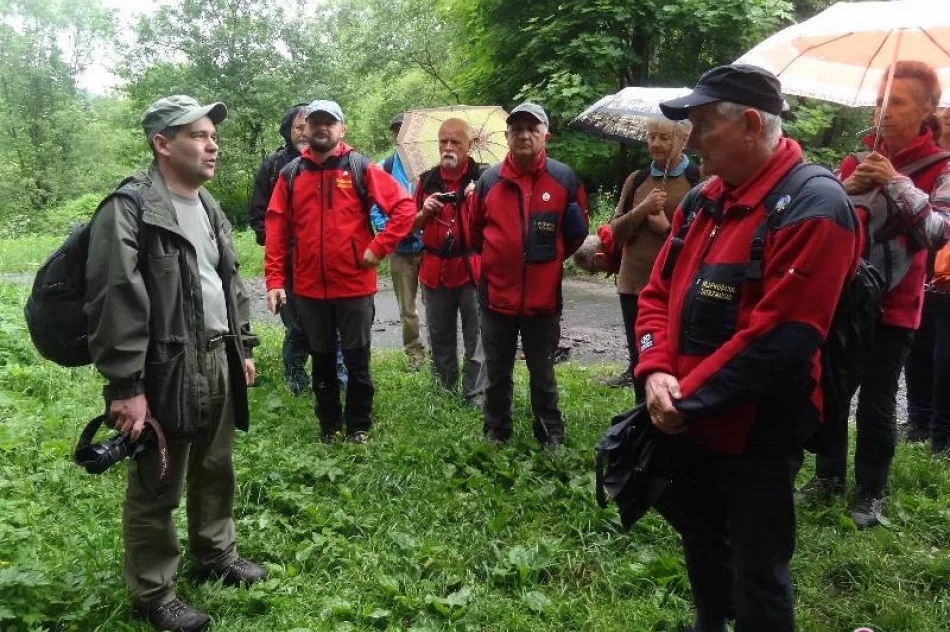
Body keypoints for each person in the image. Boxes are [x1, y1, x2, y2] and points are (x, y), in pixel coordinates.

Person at [636, 65, 859, 631]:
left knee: (759, 577)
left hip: (756, 435)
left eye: (703, 126)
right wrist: (655, 369)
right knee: (703, 552)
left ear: (752, 124)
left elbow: (781, 336)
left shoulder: (816, 206)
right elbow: (658, 292)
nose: (692, 141)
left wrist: (681, 399)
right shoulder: (705, 199)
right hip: (687, 424)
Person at [85, 95, 267, 632]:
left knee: (215, 466)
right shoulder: (131, 207)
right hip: (164, 368)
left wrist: (243, 349)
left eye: (212, 134)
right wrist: (126, 384)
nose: (212, 144)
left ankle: (216, 552)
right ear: (162, 144)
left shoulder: (207, 205)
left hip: (218, 358)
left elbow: (228, 282)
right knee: (158, 480)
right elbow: (114, 297)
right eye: (197, 135)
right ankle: (153, 591)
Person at [802, 61, 950, 526]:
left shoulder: (942, 168)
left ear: (927, 109)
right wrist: (844, 189)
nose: (884, 111)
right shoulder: (854, 161)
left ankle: (870, 493)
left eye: (899, 101)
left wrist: (895, 182)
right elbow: (826, 229)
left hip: (895, 307)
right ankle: (827, 478)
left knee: (878, 402)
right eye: (881, 100)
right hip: (843, 301)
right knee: (833, 390)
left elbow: (937, 232)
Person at [265, 100, 416, 444]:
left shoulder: (360, 167)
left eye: (329, 122)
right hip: (309, 288)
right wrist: (275, 280)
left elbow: (405, 209)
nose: (322, 127)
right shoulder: (292, 174)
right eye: (315, 122)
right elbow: (276, 229)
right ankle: (329, 426)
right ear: (306, 129)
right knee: (320, 360)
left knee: (356, 358)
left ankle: (358, 426)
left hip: (354, 286)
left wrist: (378, 248)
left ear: (341, 129)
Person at [470, 102, 589, 447]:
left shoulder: (564, 178)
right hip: (496, 297)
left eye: (531, 129)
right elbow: (478, 233)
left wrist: (546, 262)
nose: (523, 134)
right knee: (497, 373)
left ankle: (550, 436)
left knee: (543, 373)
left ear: (545, 136)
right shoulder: (489, 181)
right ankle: (496, 433)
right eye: (516, 129)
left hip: (543, 299)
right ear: (506, 136)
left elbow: (576, 232)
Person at [248, 103, 346, 395]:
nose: (304, 132)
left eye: (308, 126)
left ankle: (335, 378)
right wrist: (280, 244)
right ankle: (296, 377)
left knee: (333, 324)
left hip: (325, 264)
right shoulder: (275, 166)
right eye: (298, 126)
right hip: (289, 265)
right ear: (288, 130)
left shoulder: (333, 162)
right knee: (297, 324)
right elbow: (258, 214)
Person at [604, 119, 700, 397]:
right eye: (651, 137)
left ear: (682, 140)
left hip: (676, 285)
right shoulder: (637, 180)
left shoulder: (697, 179)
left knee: (675, 357)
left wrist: (667, 230)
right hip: (633, 283)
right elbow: (616, 232)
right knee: (640, 357)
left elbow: (704, 240)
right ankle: (640, 418)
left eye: (664, 138)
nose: (655, 144)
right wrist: (642, 209)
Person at [413, 118, 487, 406]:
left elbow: (496, 223)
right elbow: (408, 226)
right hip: (435, 269)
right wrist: (424, 211)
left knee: (477, 338)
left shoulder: (484, 179)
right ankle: (444, 389)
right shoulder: (426, 180)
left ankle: (476, 395)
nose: (447, 147)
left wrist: (478, 198)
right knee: (439, 335)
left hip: (472, 269)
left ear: (469, 145)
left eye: (455, 141)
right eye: (443, 141)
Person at [902, 104, 950, 448]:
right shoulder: (924, 162)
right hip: (923, 264)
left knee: (943, 352)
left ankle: (938, 430)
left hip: (945, 269)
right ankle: (919, 420)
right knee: (918, 346)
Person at [371, 112, 427, 370]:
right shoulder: (385, 166)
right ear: (393, 135)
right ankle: (415, 355)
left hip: (431, 248)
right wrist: (391, 231)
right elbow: (375, 207)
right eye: (396, 130)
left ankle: (441, 354)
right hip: (401, 249)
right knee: (407, 309)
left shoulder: (428, 166)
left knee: (437, 307)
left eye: (404, 129)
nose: (400, 134)